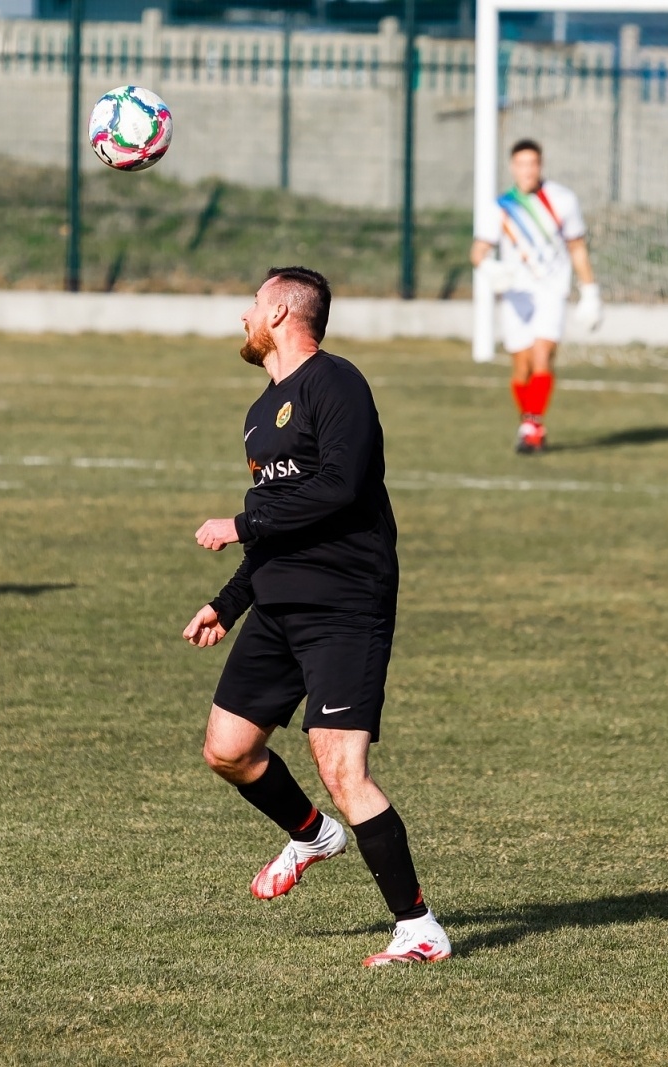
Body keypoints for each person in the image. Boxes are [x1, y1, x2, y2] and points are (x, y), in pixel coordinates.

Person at [182, 266, 450, 968]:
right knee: (228, 749)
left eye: (251, 303)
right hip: (276, 606)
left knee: (341, 764)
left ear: (277, 311)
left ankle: (419, 926)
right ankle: (311, 835)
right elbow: (280, 525)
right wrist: (229, 600)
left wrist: (241, 520)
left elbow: (339, 487)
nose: (242, 316)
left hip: (344, 604)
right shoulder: (258, 412)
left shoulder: (337, 384)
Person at [470, 139, 603, 454]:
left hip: (551, 291)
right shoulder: (500, 206)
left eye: (533, 164)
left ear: (540, 165)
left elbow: (577, 247)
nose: (528, 170)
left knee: (543, 354)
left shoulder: (562, 200)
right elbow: (478, 251)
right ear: (512, 167)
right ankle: (530, 423)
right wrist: (490, 268)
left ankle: (532, 426)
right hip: (516, 294)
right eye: (521, 164)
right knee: (522, 366)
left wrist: (590, 291)